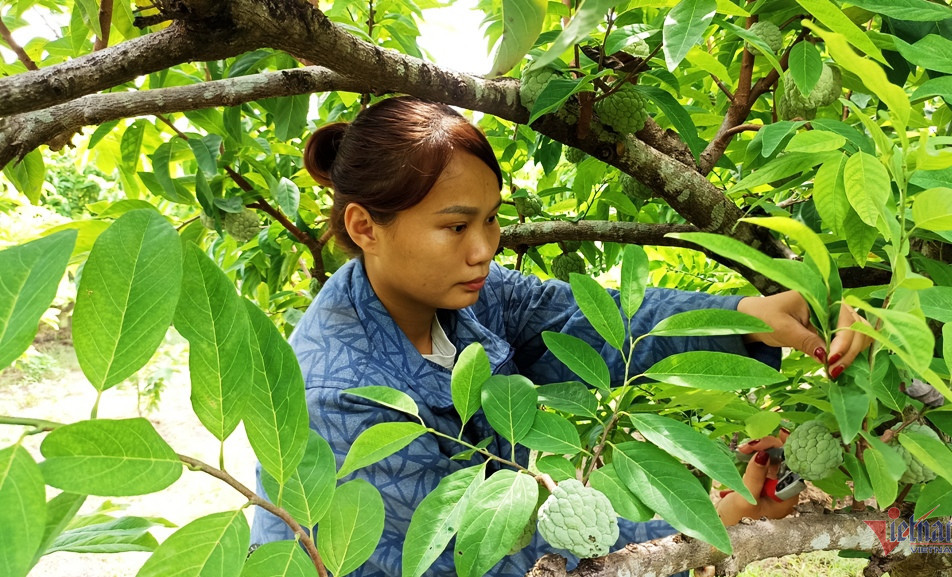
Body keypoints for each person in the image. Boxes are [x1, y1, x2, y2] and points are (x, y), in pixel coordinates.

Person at [250, 96, 870, 575]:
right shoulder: (336, 393)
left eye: (491, 220)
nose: (483, 250)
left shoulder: (466, 292)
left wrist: (746, 316)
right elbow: (483, 552)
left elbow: (592, 323)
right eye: (455, 226)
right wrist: (703, 523)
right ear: (364, 226)